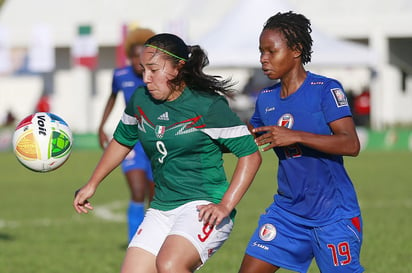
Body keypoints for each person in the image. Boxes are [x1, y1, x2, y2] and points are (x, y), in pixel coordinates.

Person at [74, 33, 262, 273]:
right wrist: (92, 183)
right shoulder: (141, 99)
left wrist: (225, 206)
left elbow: (250, 154)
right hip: (162, 208)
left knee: (170, 265)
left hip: (204, 206)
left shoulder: (208, 105)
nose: (146, 78)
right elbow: (122, 140)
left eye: (153, 70)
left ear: (178, 67)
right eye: (143, 70)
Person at [238, 11, 364, 273]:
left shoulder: (325, 89)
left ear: (296, 50)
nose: (263, 58)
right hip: (287, 214)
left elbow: (351, 144)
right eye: (261, 51)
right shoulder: (266, 98)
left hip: (333, 216)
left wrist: (295, 136)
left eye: (271, 51)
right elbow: (249, 136)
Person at [98, 27, 155, 242]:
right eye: (133, 57)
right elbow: (112, 98)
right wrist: (101, 125)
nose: (137, 63)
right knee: (137, 191)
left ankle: (152, 242)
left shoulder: (157, 78)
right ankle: (135, 244)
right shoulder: (120, 75)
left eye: (141, 58)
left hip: (156, 142)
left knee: (155, 197)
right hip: (131, 143)